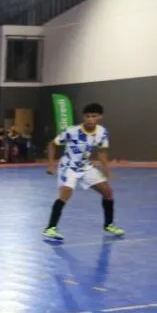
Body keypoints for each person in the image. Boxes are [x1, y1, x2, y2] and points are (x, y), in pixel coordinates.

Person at [43, 103, 124, 241]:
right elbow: (52, 144)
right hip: (68, 166)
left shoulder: (102, 132)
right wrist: (51, 165)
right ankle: (50, 228)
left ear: (100, 117)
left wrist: (106, 171)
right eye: (87, 116)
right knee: (65, 193)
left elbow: (102, 154)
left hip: (85, 167)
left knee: (108, 192)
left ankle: (109, 224)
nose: (90, 119)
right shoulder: (71, 131)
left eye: (94, 116)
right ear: (83, 117)